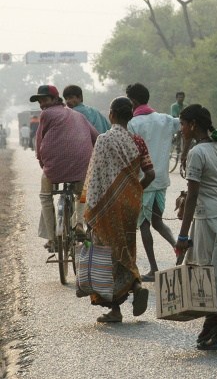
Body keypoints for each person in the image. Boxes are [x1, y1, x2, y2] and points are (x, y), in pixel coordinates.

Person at [175, 104, 217, 350]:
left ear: (193, 124)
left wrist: (183, 235)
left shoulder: (197, 153)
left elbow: (192, 196)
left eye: (182, 124)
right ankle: (213, 324)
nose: (180, 129)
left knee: (211, 273)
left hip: (210, 218)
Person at [81, 97, 155, 323]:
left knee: (109, 255)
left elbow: (95, 179)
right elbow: (150, 174)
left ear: (111, 115)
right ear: (130, 116)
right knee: (126, 248)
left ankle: (115, 309)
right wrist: (133, 193)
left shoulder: (104, 140)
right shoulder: (138, 141)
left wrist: (89, 211)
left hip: (106, 206)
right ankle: (135, 283)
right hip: (129, 205)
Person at [30, 85, 99, 250]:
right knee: (82, 194)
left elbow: (39, 142)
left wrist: (42, 163)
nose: (41, 104)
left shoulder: (46, 114)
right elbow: (96, 136)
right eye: (39, 101)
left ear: (55, 99)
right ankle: (79, 223)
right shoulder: (78, 115)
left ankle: (53, 238)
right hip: (82, 165)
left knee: (46, 197)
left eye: (45, 100)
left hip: (54, 167)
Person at [126, 83, 180, 281]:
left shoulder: (134, 123)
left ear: (133, 101)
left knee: (145, 225)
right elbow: (182, 124)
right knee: (157, 221)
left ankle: (154, 268)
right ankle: (178, 247)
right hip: (162, 180)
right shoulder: (166, 119)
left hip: (144, 181)